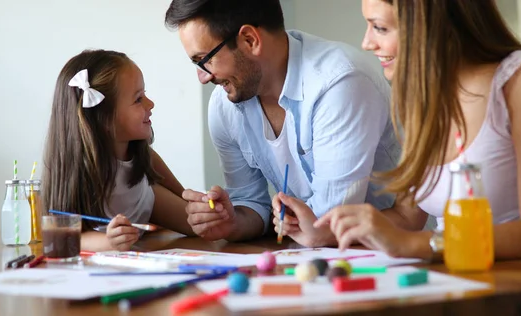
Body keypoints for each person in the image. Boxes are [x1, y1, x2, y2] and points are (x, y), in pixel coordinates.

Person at [306, 0, 521, 261]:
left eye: (380, 28)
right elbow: (407, 217)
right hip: (453, 284)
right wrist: (327, 232)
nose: (367, 43)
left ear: (429, 24)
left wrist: (415, 244)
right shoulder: (426, 97)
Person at [164, 0, 401, 245]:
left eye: (205, 60)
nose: (203, 77)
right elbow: (252, 203)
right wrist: (231, 221)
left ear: (250, 40)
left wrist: (286, 222)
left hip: (399, 255)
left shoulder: (339, 83)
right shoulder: (225, 105)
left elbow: (329, 220)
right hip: (311, 257)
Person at [42, 49, 194, 252]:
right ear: (103, 118)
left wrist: (207, 208)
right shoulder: (74, 174)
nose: (151, 104)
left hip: (146, 208)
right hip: (104, 266)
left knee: (197, 219)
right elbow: (59, 237)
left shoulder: (146, 163)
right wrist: (108, 242)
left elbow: (189, 208)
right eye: (138, 99)